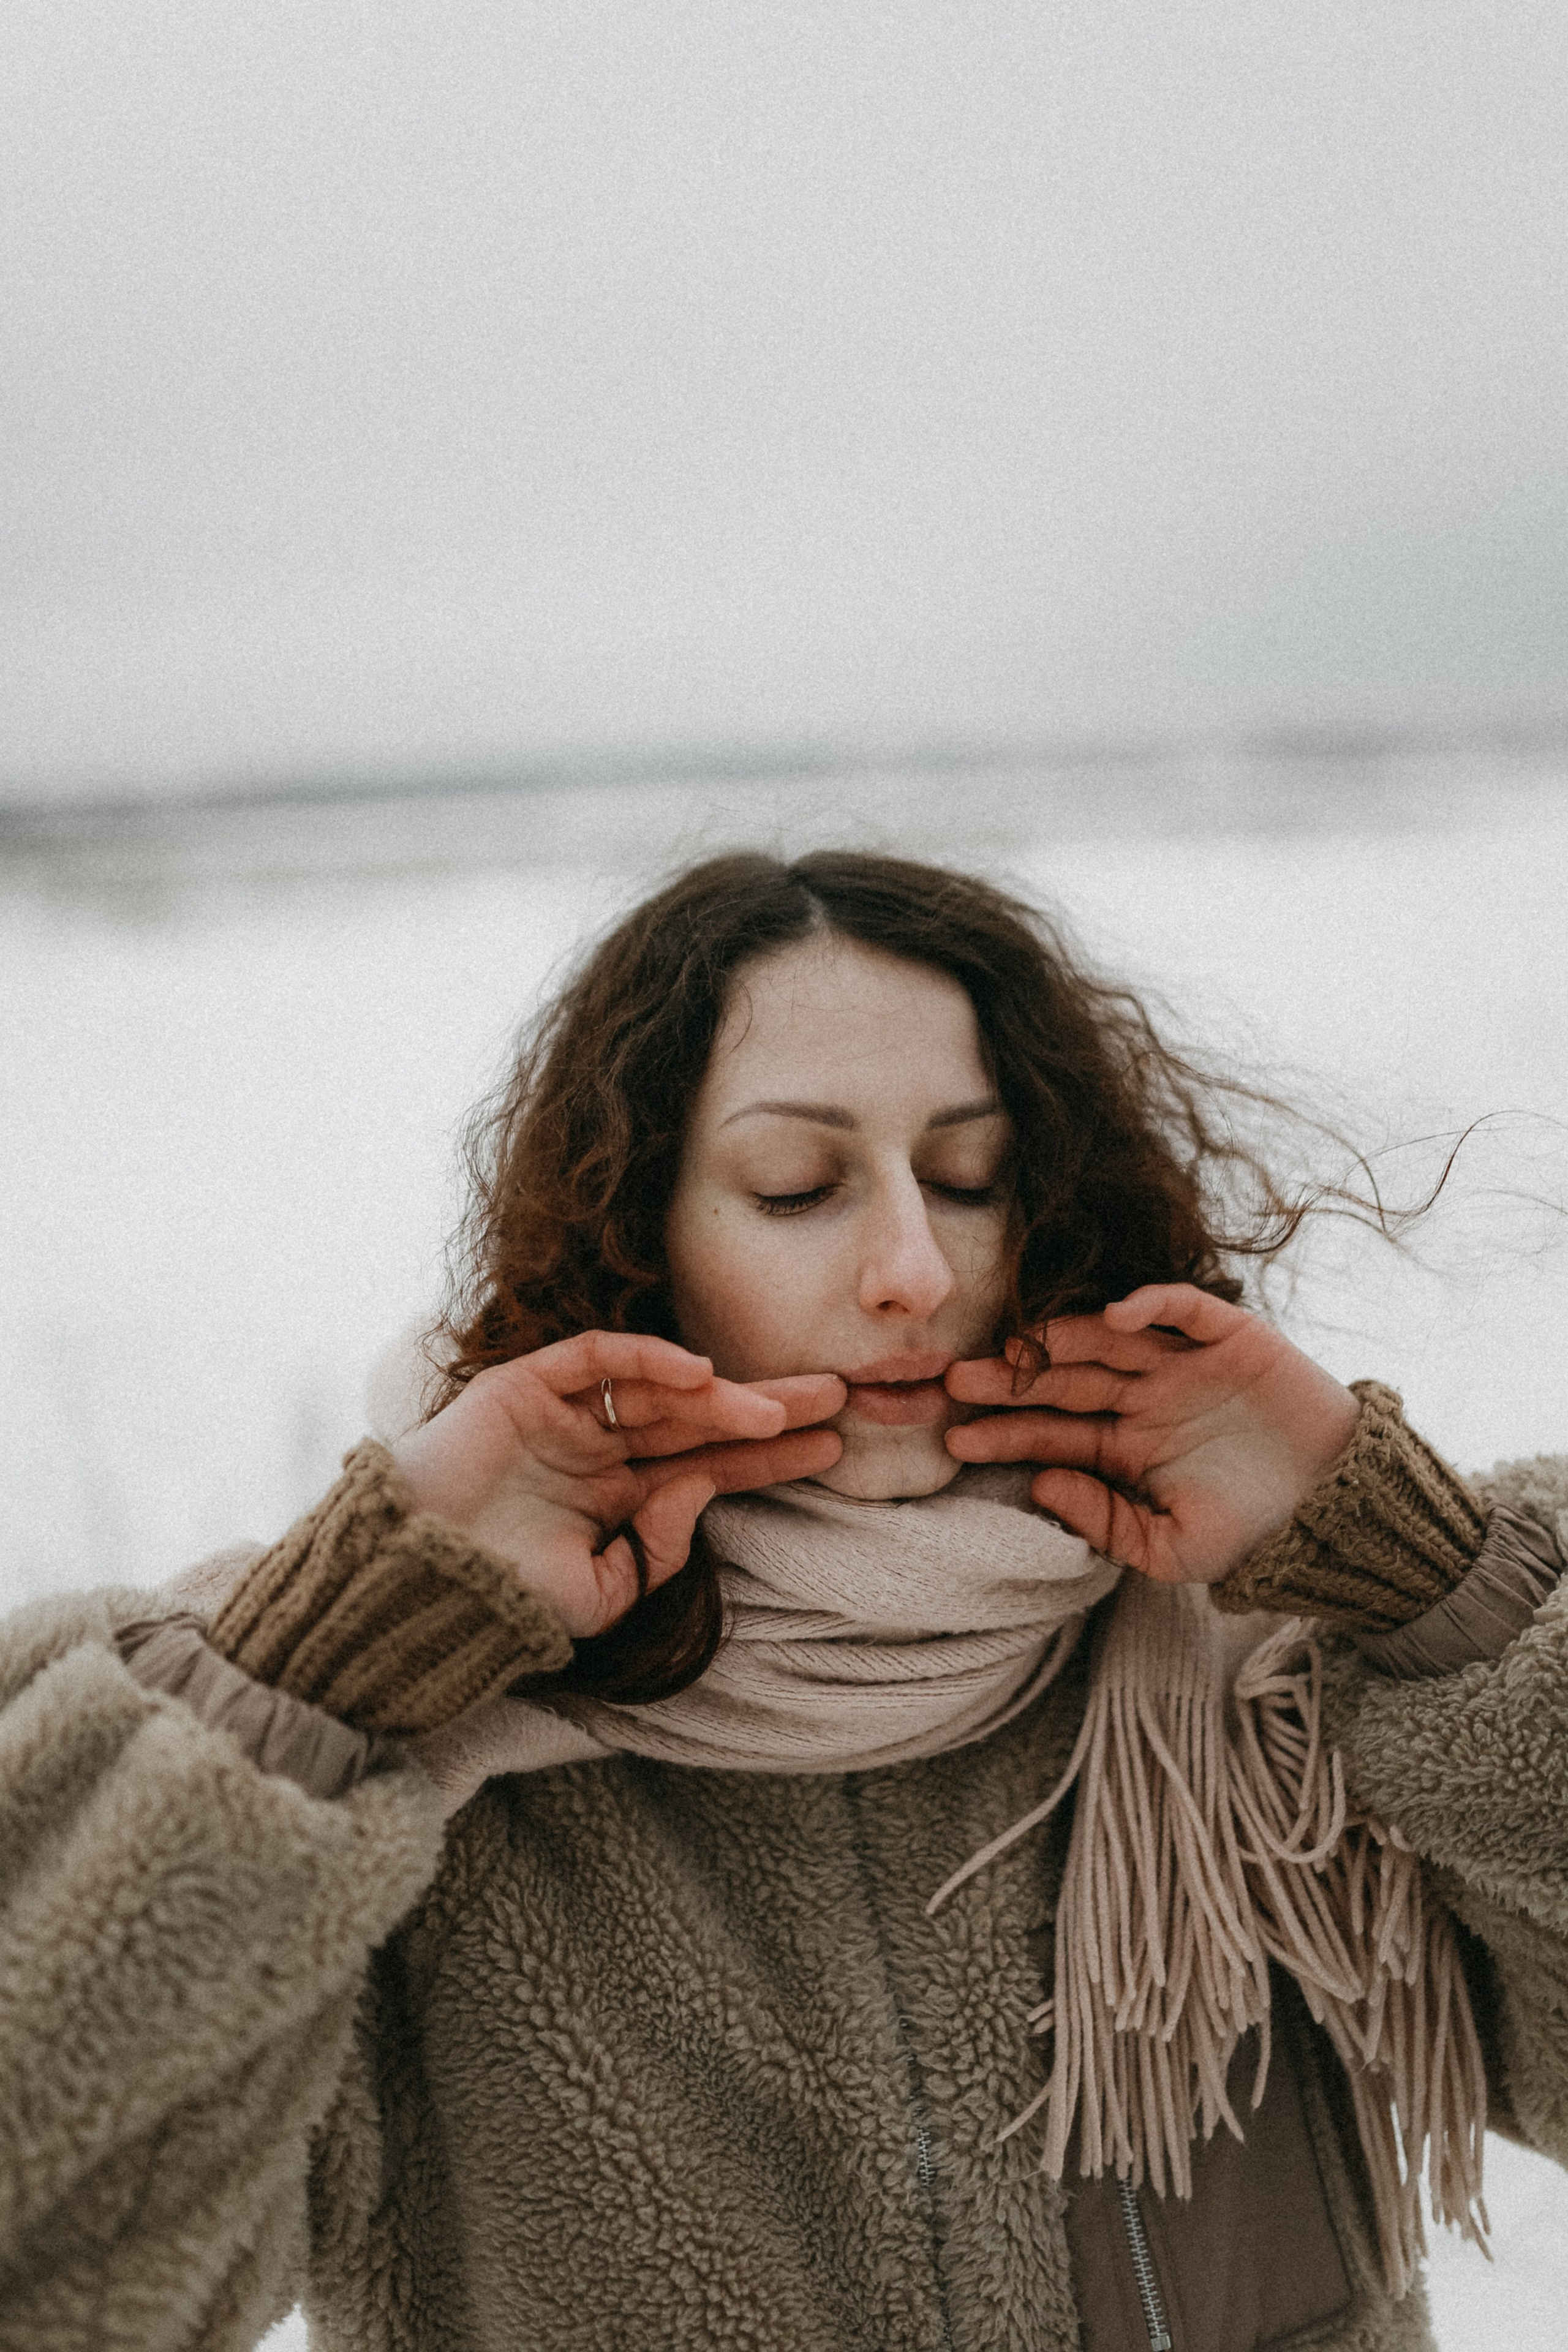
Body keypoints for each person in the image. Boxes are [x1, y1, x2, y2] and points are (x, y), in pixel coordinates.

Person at [3, 850, 1565, 2352]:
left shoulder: (1276, 1684)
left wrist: (1428, 1580)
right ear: (641, 1242)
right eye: (797, 1186)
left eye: (971, 1175)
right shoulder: (389, 1760)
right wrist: (319, 1672)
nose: (910, 1266)